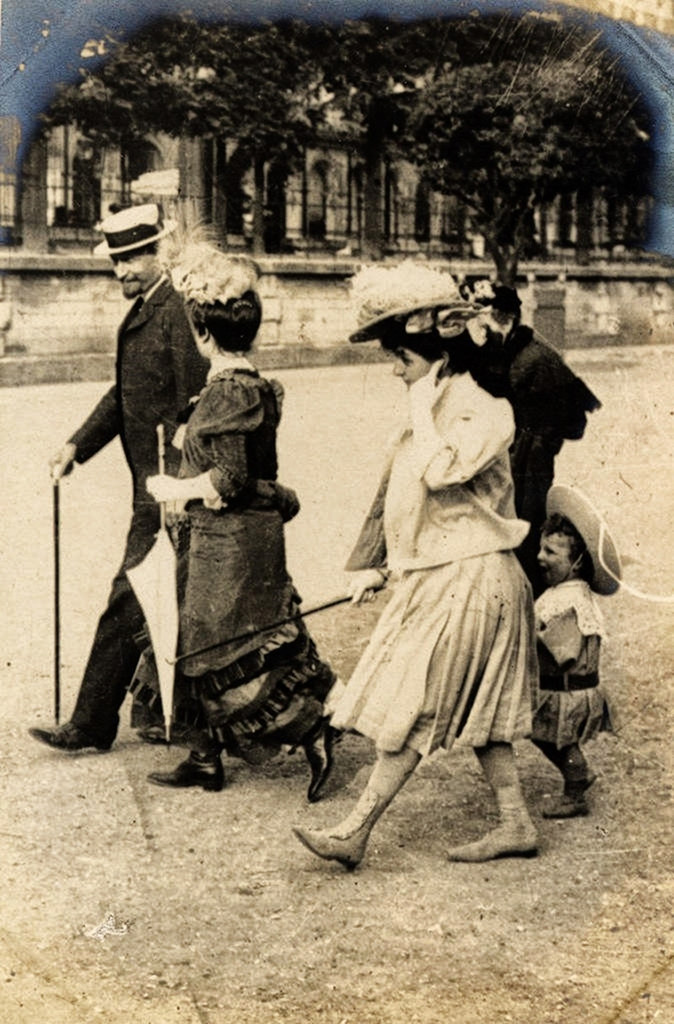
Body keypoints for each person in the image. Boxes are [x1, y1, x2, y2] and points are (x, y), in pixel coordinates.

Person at [292, 263, 539, 869]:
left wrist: (423, 407)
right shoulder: (431, 407)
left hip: (476, 579)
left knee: (419, 705)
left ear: (432, 352)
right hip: (444, 576)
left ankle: (355, 829)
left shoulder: (484, 409)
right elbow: (402, 498)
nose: (392, 367)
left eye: (399, 356)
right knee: (480, 709)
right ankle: (517, 822)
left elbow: (440, 472)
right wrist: (377, 565)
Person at [141, 245, 337, 801]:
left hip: (233, 539)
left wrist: (174, 486)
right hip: (222, 538)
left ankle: (316, 728)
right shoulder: (242, 383)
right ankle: (204, 756)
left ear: (203, 332)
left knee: (235, 648)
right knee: (202, 638)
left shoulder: (230, 390)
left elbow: (228, 480)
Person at [29, 203, 208, 753]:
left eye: (134, 258)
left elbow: (197, 405)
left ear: (160, 253)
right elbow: (122, 395)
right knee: (159, 600)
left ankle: (91, 722)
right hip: (151, 485)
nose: (123, 270)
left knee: (130, 597)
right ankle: (148, 713)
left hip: (170, 489)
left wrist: (180, 483)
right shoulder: (144, 310)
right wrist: (75, 447)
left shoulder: (176, 311)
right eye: (117, 261)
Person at [455, 285, 601, 594]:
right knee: (517, 506)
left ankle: (532, 583)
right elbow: (489, 373)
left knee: (529, 511)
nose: (483, 327)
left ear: (502, 318)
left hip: (534, 446)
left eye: (485, 318)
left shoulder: (531, 355)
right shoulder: (512, 346)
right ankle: (523, 577)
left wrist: (541, 440)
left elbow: (570, 416)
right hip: (524, 441)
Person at [532, 486, 621, 818]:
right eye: (542, 549)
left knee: (557, 739)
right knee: (546, 736)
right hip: (563, 690)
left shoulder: (570, 600)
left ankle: (575, 787)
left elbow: (566, 650)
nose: (541, 557)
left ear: (578, 562)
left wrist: (533, 634)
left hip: (568, 693)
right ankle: (577, 774)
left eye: (552, 552)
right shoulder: (562, 592)